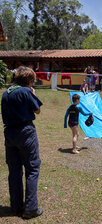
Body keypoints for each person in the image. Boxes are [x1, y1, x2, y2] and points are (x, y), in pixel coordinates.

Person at [1, 66, 43, 219]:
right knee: (32, 168)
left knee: (14, 171)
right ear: (29, 81)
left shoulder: (6, 93)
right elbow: (37, 110)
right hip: (25, 131)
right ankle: (31, 208)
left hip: (10, 133)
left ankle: (16, 206)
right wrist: (33, 93)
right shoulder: (26, 91)